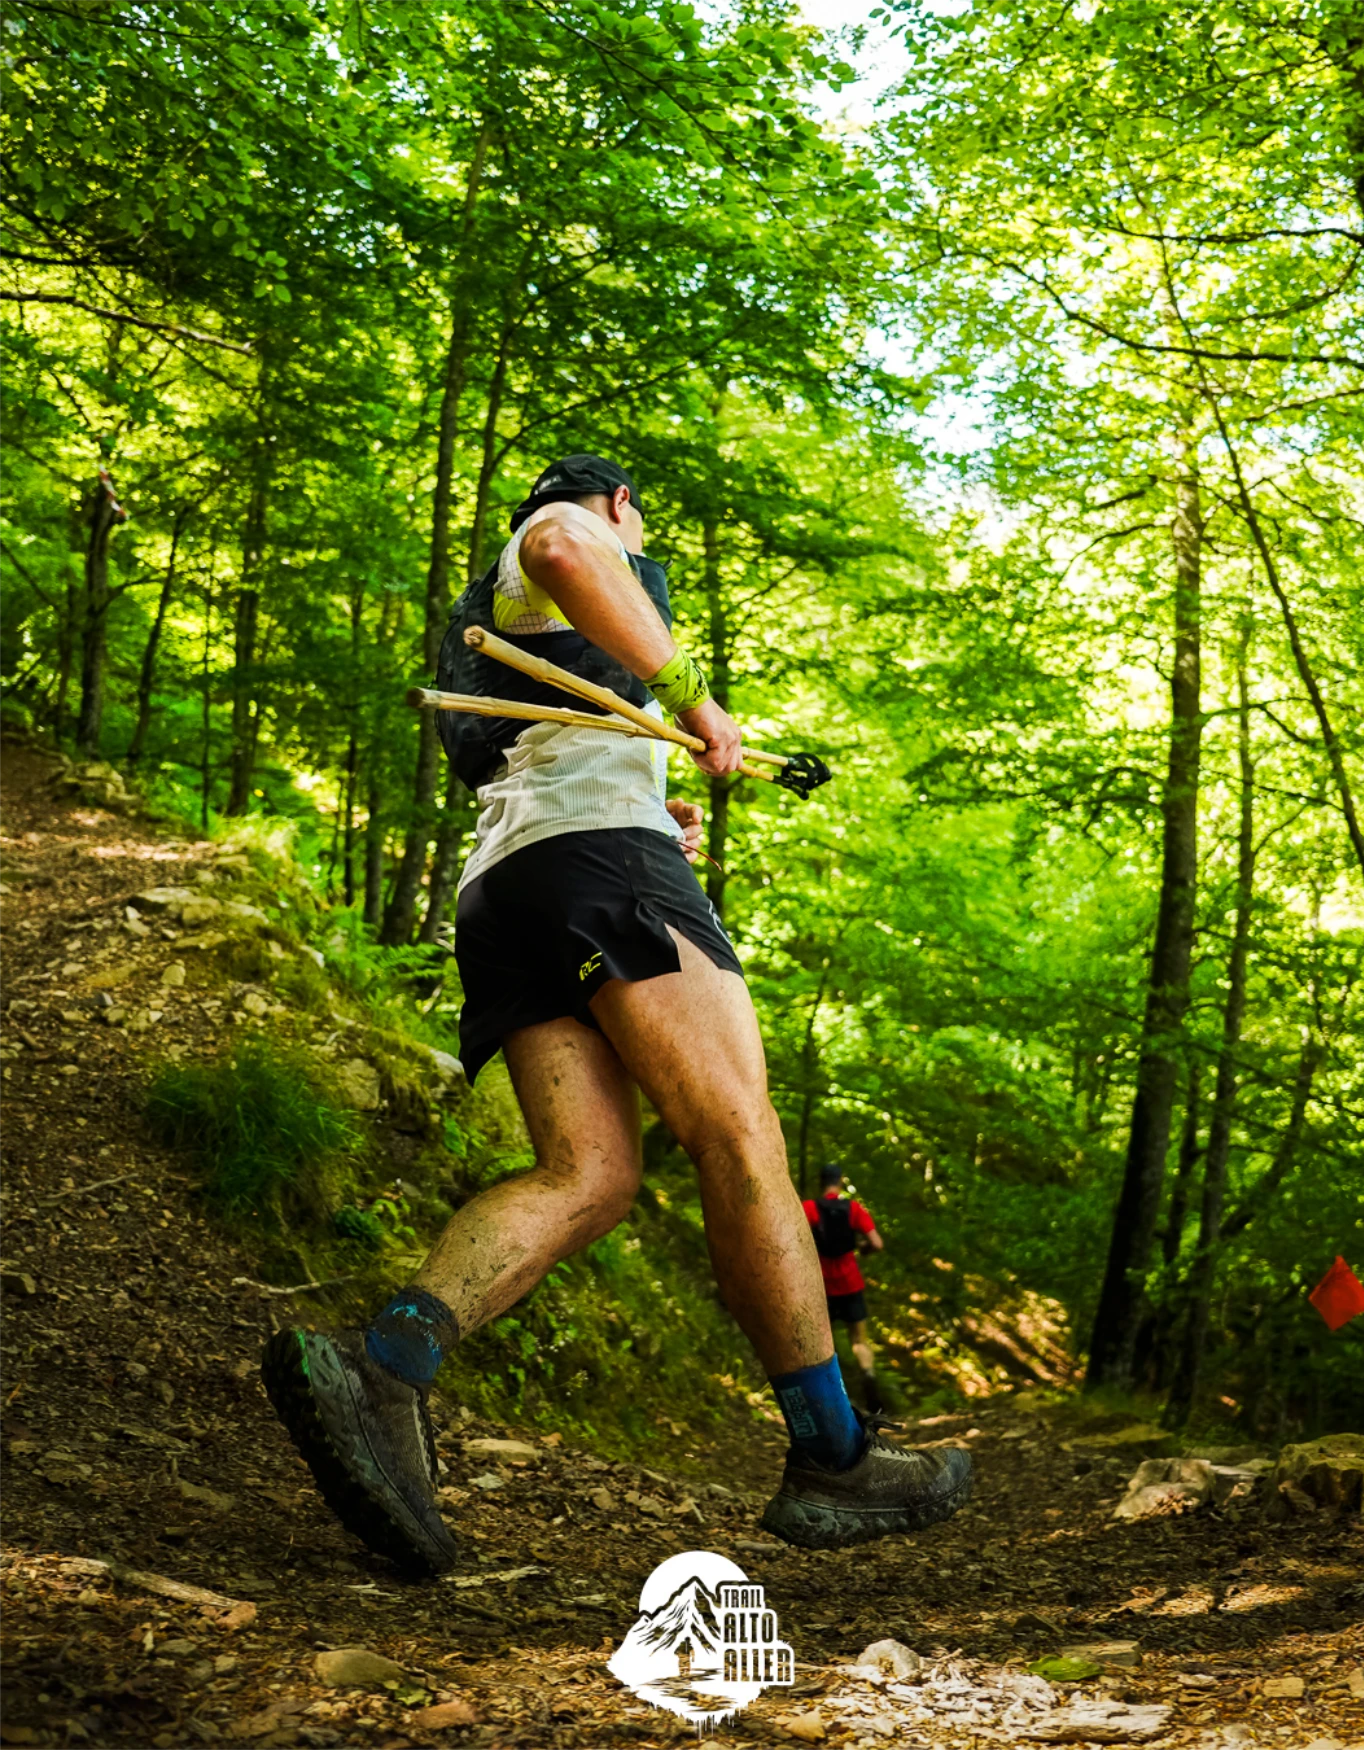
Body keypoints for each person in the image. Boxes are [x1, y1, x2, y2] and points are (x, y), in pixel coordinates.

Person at [261, 453, 971, 1572]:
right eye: (634, 527)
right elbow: (562, 546)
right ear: (623, 505)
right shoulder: (565, 526)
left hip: (512, 882)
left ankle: (383, 1367)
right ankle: (833, 1452)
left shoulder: (501, 622)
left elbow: (550, 745)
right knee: (740, 1134)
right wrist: (693, 697)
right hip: (598, 866)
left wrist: (649, 799)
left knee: (589, 1176)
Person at [804, 1163, 884, 1412]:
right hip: (850, 1281)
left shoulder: (809, 1208)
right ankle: (868, 1377)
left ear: (821, 1182)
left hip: (821, 1284)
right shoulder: (853, 1209)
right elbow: (877, 1243)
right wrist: (864, 1250)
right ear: (839, 1181)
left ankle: (831, 1394)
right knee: (859, 1340)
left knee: (823, 1341)